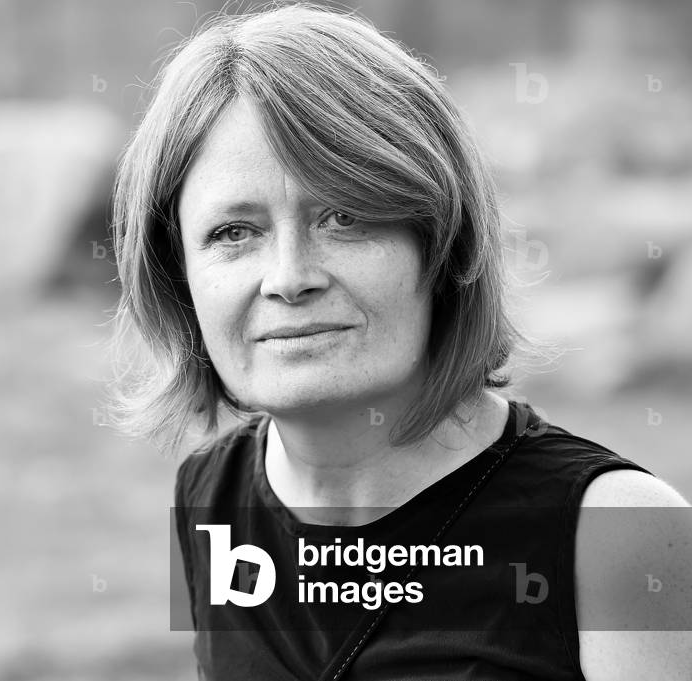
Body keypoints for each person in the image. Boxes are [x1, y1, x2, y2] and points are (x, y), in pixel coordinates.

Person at [103, 3, 692, 679]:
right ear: (176, 274)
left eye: (345, 217)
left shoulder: (622, 532)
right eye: (234, 232)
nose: (288, 277)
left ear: (441, 244)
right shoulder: (210, 491)